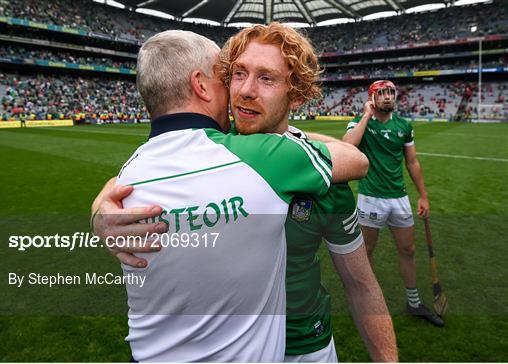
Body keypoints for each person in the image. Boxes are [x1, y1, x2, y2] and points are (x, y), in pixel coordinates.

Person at [93, 24, 397, 362]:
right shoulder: (211, 150)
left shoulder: (326, 180)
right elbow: (146, 171)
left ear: (295, 95)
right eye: (238, 74)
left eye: (267, 78)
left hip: (305, 349)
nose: (246, 91)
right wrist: (101, 212)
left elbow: (360, 285)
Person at [342, 79, 444, 327]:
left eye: (391, 92)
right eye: (382, 93)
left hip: (399, 198)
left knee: (408, 250)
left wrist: (423, 195)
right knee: (366, 252)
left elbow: (412, 162)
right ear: (372, 98)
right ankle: (369, 301)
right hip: (371, 198)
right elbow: (347, 147)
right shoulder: (360, 122)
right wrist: (366, 116)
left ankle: (413, 302)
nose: (388, 96)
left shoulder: (404, 126)